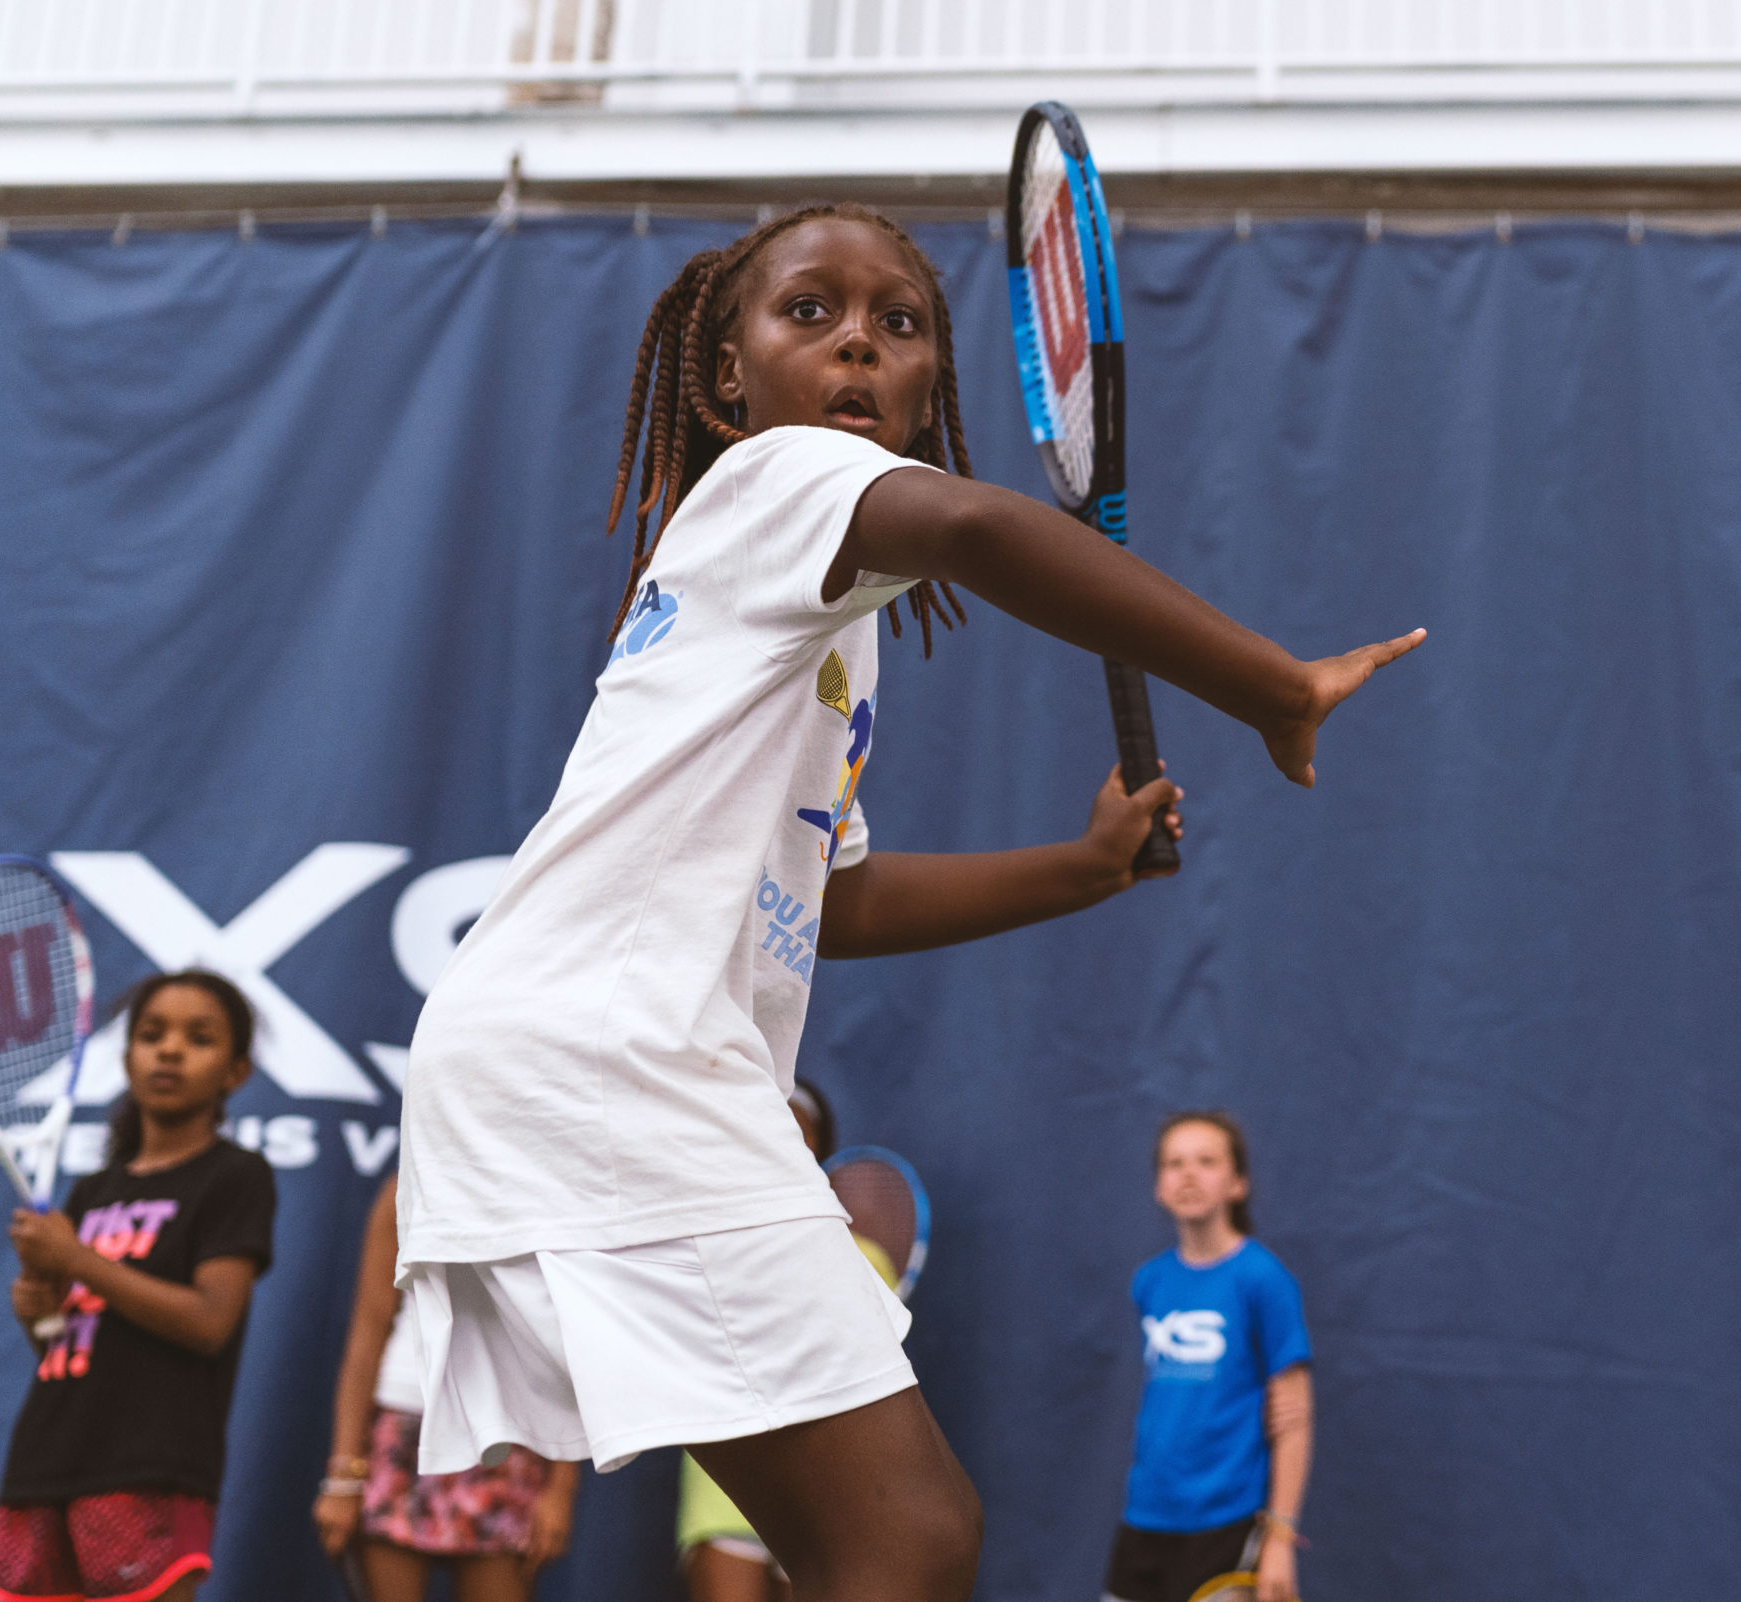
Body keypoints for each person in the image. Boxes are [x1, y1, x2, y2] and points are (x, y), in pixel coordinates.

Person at [394, 200, 1421, 1602]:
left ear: (937, 377)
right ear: (727, 378)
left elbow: (842, 898)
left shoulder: (819, 620)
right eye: (807, 313)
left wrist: (1080, 866)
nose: (859, 346)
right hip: (607, 1059)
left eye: (899, 322)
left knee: (874, 1540)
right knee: (908, 1534)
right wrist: (1270, 685)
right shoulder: (774, 485)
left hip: (572, 1062)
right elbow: (983, 527)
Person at [0, 970, 278, 1602]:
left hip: (150, 1470)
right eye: (151, 1034)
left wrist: (78, 1260)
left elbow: (208, 1323)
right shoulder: (93, 1191)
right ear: (127, 1058)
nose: (169, 1050)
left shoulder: (234, 1177)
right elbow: (65, 1339)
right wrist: (36, 1308)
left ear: (236, 1073)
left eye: (199, 1039)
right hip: (44, 1463)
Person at [674, 1081, 899, 1602]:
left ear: (820, 1148)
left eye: (801, 1131)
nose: (787, 1140)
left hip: (824, 1496)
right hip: (725, 1489)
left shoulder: (866, 1261)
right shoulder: (707, 1244)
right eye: (773, 1125)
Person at [314, 1172, 579, 1602]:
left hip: (508, 1437)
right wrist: (343, 1476)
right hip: (404, 1432)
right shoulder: (409, 1186)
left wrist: (561, 1488)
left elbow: (568, 1346)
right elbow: (367, 1334)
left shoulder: (549, 1191)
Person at [1104, 1113, 1313, 1602]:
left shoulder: (1263, 1279)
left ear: (1238, 1183)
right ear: (1159, 1186)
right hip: (1145, 1519)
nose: (1189, 1174)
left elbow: (1295, 1418)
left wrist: (1280, 1538)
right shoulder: (1149, 1281)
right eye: (1174, 1163)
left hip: (1226, 1524)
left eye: (1207, 1161)